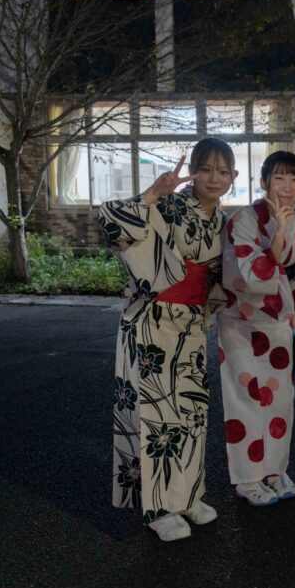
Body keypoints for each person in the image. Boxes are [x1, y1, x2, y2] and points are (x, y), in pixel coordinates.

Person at [98, 138, 236, 542]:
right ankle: (158, 508)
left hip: (191, 323)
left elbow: (219, 274)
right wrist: (152, 195)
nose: (214, 178)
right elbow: (113, 225)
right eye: (205, 169)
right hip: (152, 320)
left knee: (192, 413)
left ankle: (187, 496)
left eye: (223, 171)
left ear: (233, 176)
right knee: (157, 416)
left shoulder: (222, 220)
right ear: (192, 172)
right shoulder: (171, 205)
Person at [218, 151, 295, 506]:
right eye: (279, 178)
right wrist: (279, 237)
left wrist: (292, 308)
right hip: (240, 322)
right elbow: (247, 275)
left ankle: (275, 470)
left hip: (279, 322)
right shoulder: (243, 219)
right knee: (244, 398)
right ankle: (248, 478)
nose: (288, 187)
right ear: (263, 183)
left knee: (280, 400)